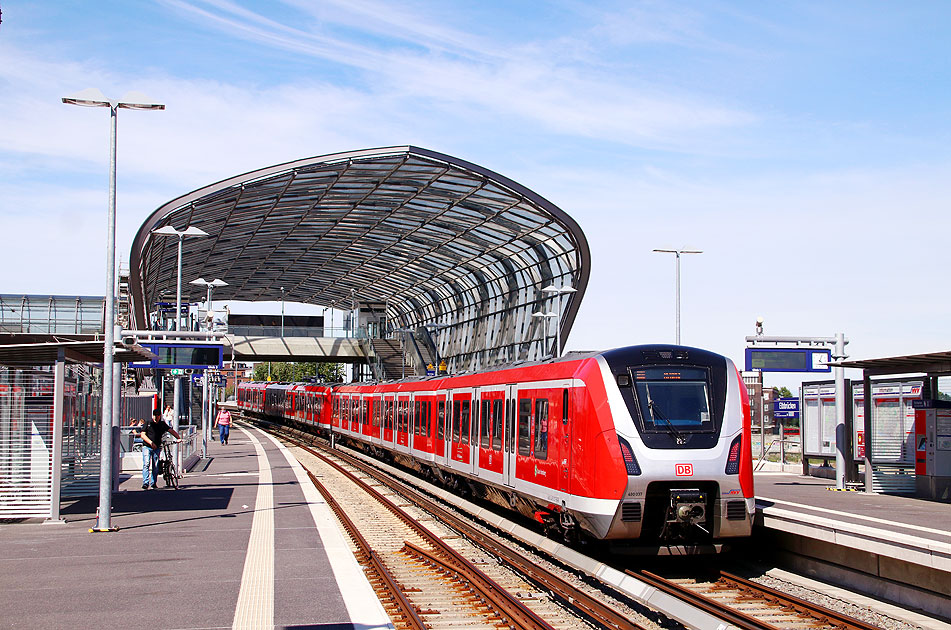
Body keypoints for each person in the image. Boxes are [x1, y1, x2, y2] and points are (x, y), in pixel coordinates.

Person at [140, 408, 181, 489]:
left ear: (160, 416)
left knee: (155, 465)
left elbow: (170, 430)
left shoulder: (162, 424)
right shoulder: (148, 423)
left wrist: (178, 438)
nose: (156, 417)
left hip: (157, 447)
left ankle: (153, 483)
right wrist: (150, 442)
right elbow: (142, 435)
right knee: (146, 464)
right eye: (155, 415)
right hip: (147, 446)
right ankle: (145, 483)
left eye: (157, 416)